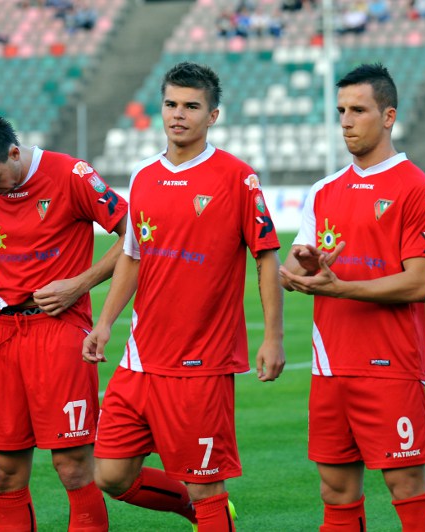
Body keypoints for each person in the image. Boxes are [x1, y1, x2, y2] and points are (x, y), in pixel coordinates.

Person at [82, 61, 285, 531]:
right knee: (110, 474)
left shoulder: (237, 177)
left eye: (191, 106)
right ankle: (196, 513)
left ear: (212, 116)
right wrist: (105, 323)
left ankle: (208, 511)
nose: (178, 114)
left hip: (201, 364)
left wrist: (273, 337)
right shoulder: (143, 176)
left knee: (206, 486)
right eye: (171, 104)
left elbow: (266, 257)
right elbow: (132, 255)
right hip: (140, 360)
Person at [280, 63, 425, 531]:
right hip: (330, 367)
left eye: (358, 110)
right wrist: (306, 265)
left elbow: (419, 283)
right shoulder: (323, 190)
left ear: (388, 116)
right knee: (335, 491)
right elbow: (292, 269)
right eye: (341, 111)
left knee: (406, 486)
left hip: (390, 367)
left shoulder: (417, 189)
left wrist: (341, 288)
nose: (346, 122)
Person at [0, 110, 128, 531]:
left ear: (14, 153)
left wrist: (79, 284)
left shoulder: (72, 175)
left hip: (61, 330)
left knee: (72, 466)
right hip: (5, 335)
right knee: (4, 472)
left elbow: (135, 235)